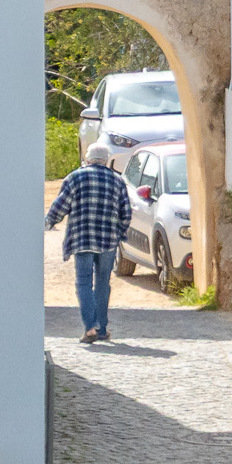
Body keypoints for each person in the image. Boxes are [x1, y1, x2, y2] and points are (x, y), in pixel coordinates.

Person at [47, 142, 134, 344]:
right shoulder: (117, 181)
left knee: (84, 282)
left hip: (82, 238)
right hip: (108, 241)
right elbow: (126, 213)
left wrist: (49, 222)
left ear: (87, 159)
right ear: (107, 160)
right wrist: (119, 232)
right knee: (103, 283)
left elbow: (61, 206)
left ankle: (90, 328)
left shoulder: (75, 177)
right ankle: (102, 329)